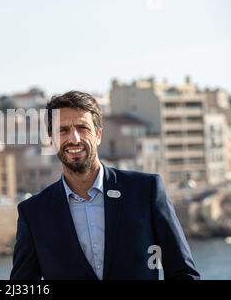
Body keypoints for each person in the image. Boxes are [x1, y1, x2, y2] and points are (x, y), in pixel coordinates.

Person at [10, 90, 200, 280]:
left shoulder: (146, 191)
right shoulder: (34, 213)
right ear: (52, 141)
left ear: (98, 135)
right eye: (63, 130)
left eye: (82, 127)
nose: (74, 138)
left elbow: (183, 273)